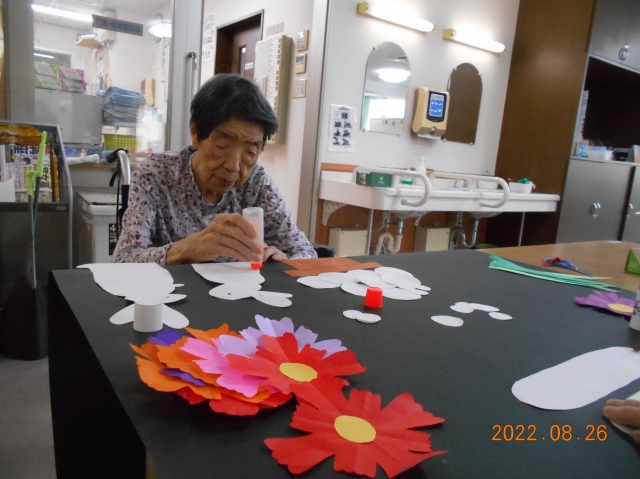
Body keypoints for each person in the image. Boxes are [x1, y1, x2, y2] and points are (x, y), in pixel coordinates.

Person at [112, 74, 317, 264]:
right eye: (222, 146)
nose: (233, 166)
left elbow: (304, 250)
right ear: (195, 133)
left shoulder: (256, 182)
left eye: (250, 152)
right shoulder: (156, 174)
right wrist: (188, 248)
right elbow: (124, 260)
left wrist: (281, 261)